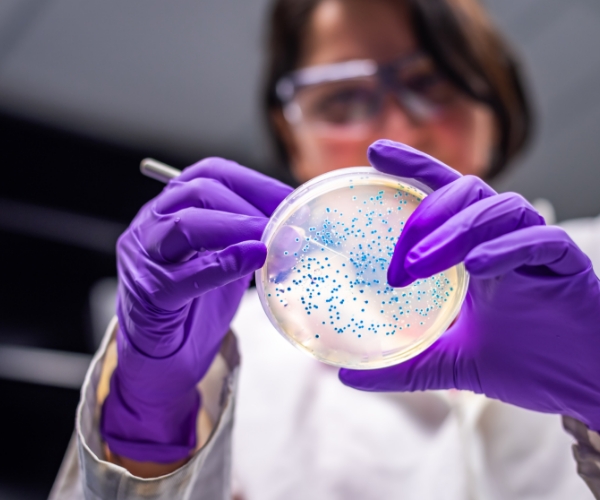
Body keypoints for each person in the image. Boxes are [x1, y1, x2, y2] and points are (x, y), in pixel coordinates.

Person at [50, 0, 600, 498]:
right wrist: (150, 424)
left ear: (495, 109)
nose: (398, 124)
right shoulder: (230, 351)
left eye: (433, 84)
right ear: (292, 136)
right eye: (342, 98)